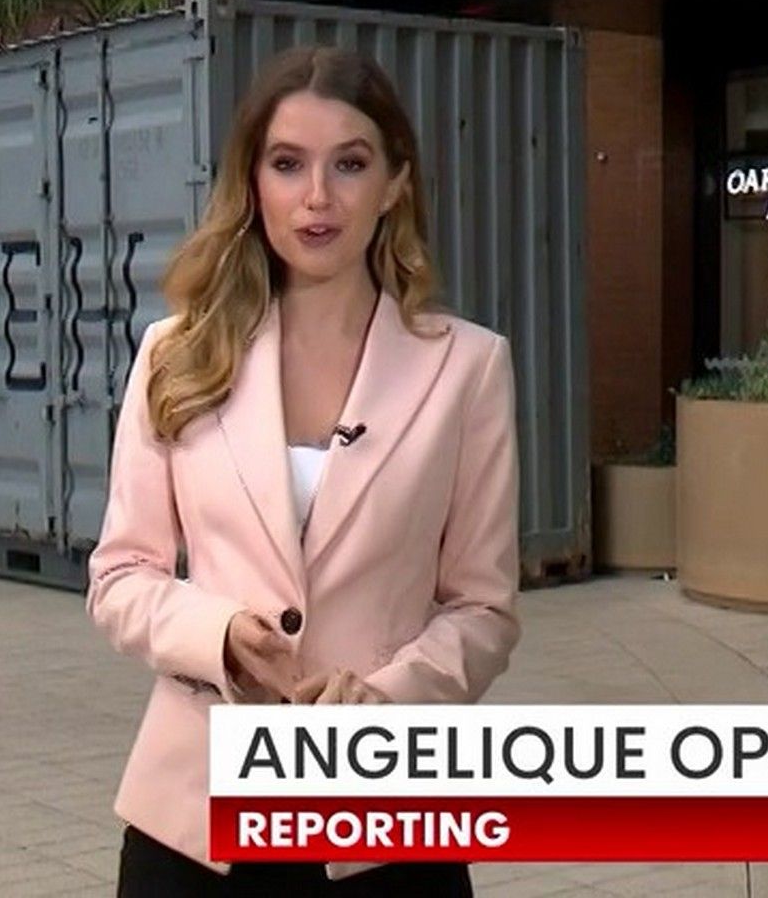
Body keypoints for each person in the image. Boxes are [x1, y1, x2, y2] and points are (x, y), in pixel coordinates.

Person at [86, 45, 523, 896]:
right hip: (198, 822)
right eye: (288, 164)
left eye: (349, 164)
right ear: (253, 183)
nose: (317, 196)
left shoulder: (468, 368)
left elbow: (484, 608)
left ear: (394, 184)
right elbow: (120, 576)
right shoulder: (176, 354)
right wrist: (216, 635)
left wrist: (387, 698)